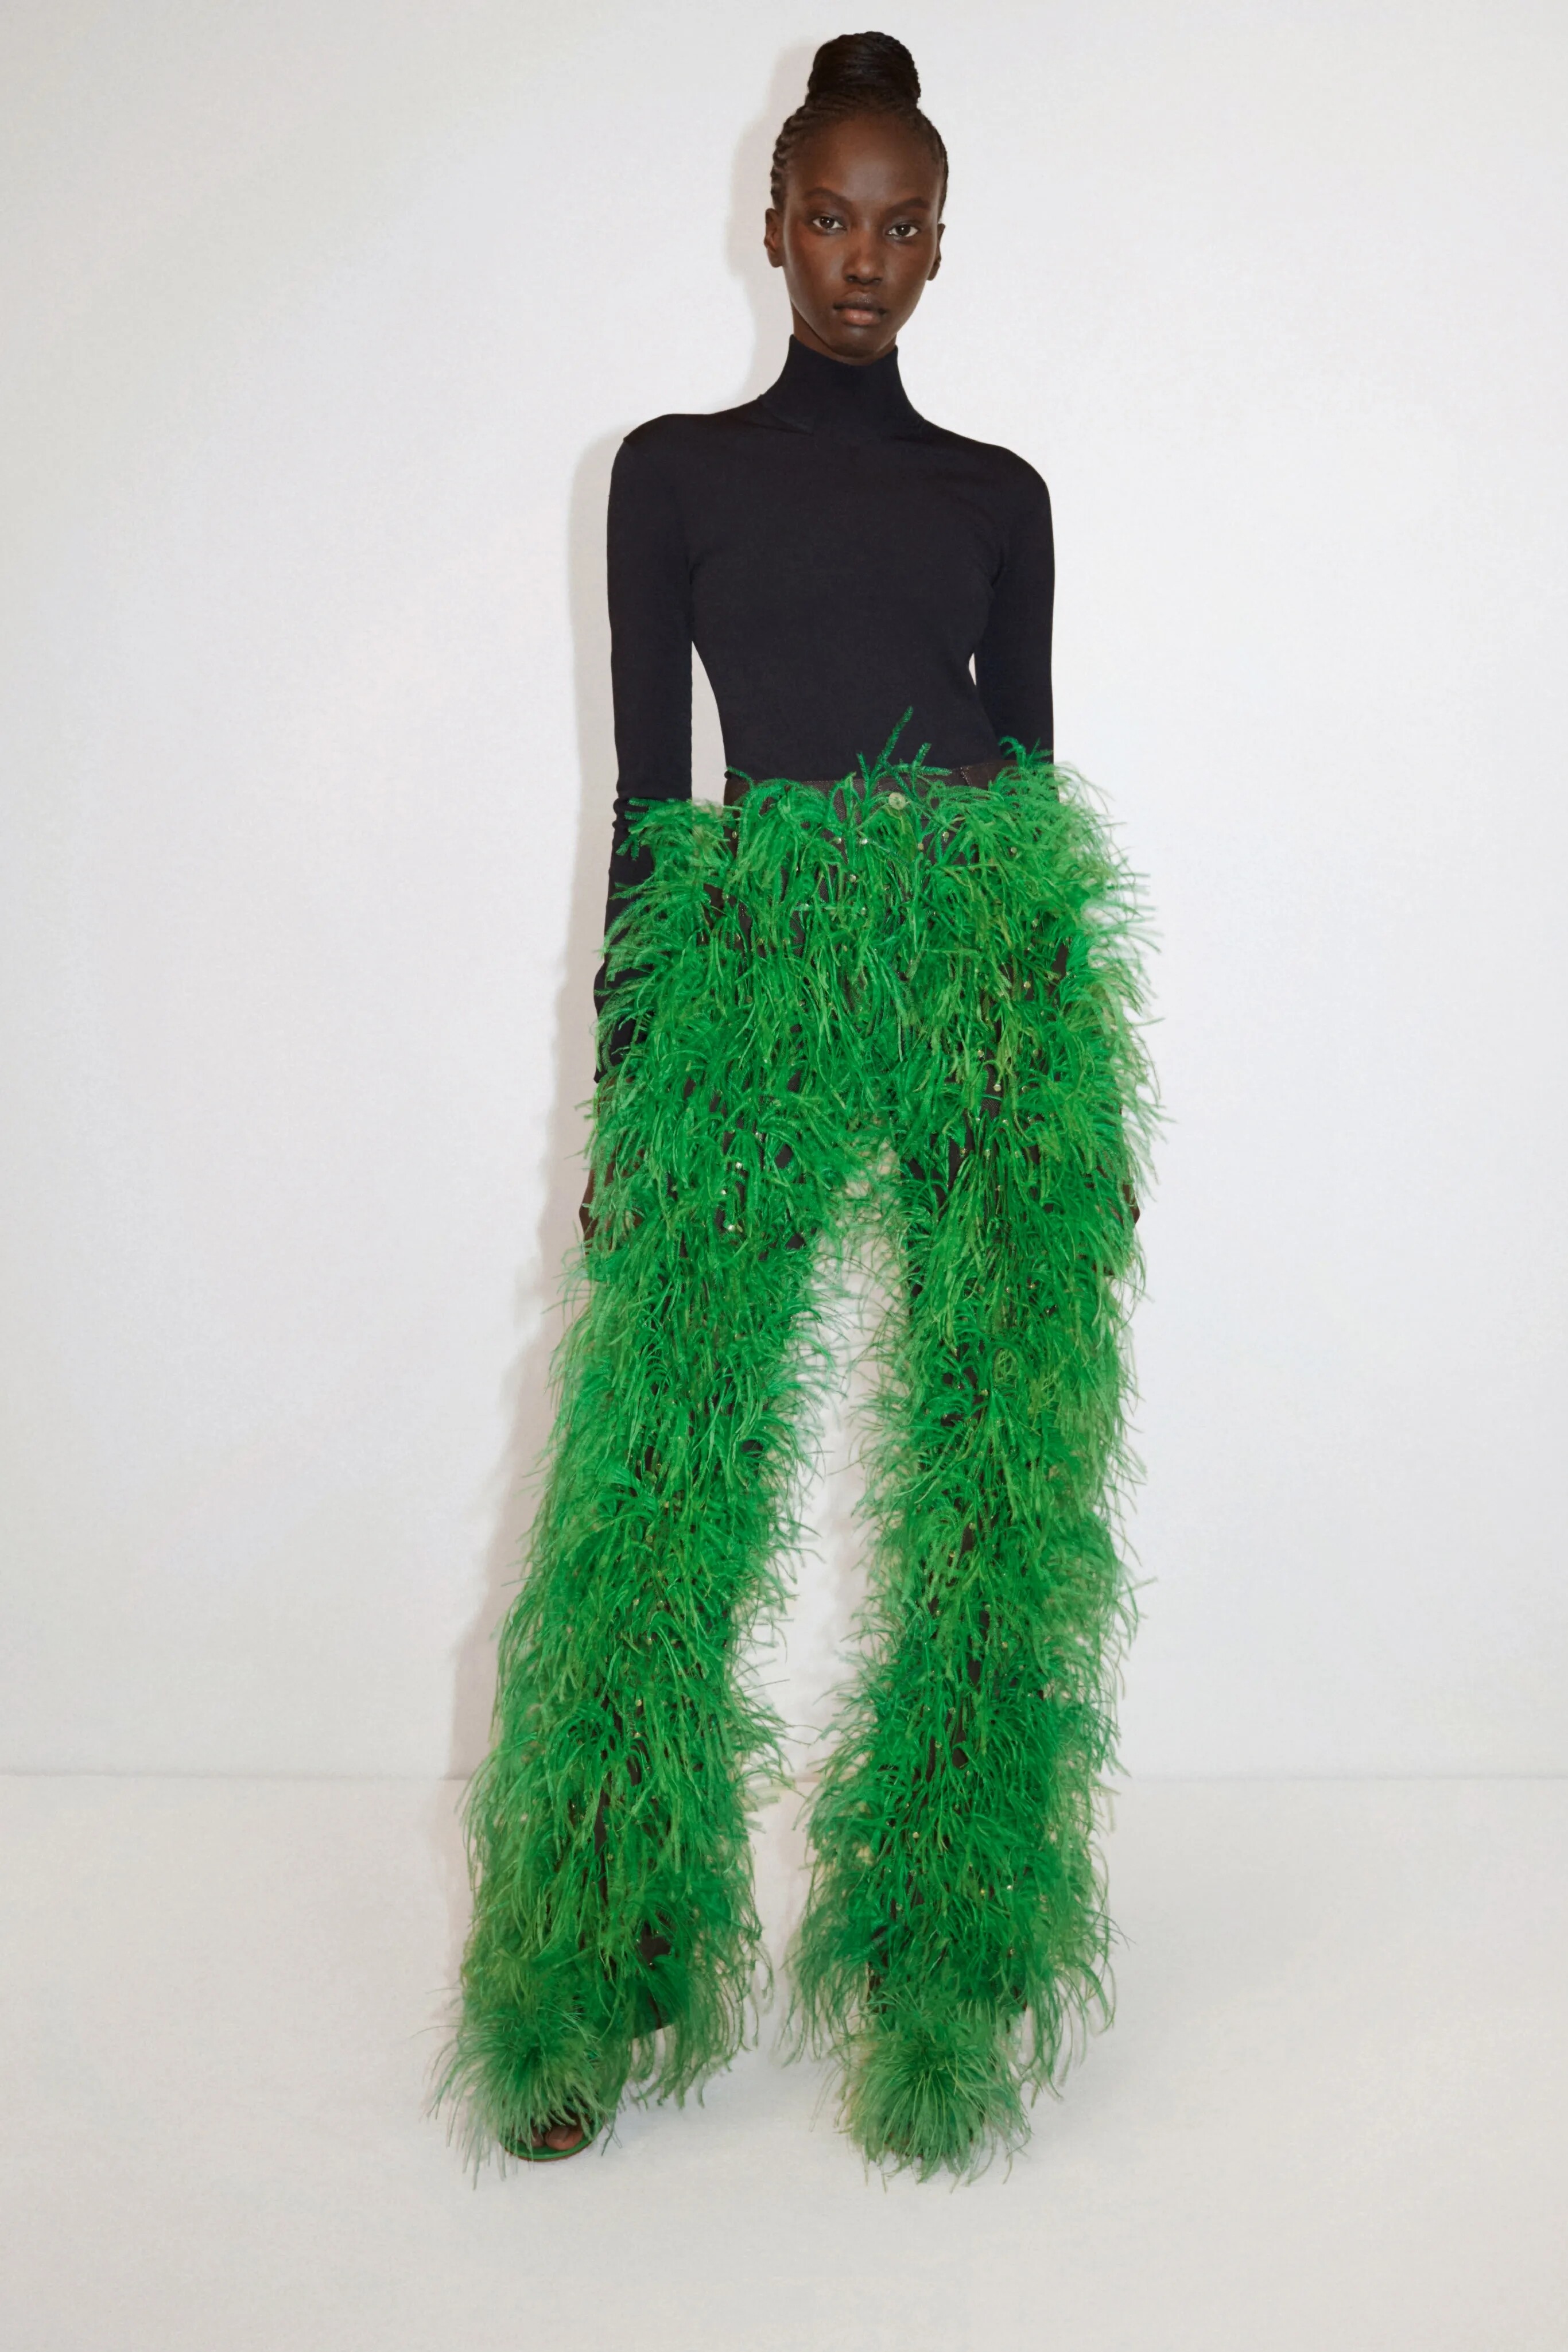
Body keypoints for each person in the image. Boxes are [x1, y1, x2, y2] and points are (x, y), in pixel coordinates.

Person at [436, 30, 1152, 2181]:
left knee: (999, 1487)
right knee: (654, 1494)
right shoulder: (673, 473)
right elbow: (653, 806)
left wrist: (1063, 1092)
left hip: (984, 978)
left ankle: (949, 1960)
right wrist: (624, 1100)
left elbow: (1030, 787)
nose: (859, 257)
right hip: (750, 974)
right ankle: (594, 1962)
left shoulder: (1000, 497)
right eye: (828, 217)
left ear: (940, 248)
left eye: (898, 225)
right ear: (770, 227)